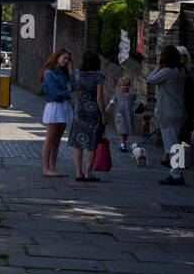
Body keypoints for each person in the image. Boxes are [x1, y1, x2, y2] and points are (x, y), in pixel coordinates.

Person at [148, 45, 187, 185]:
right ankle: (178, 172)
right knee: (177, 145)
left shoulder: (167, 71)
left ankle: (176, 175)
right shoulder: (180, 70)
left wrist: (158, 65)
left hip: (169, 113)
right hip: (179, 111)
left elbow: (150, 79)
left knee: (172, 146)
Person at [69, 51, 106, 182]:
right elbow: (99, 98)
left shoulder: (78, 74)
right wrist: (103, 115)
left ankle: (78, 173)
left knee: (78, 143)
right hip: (93, 113)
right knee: (91, 144)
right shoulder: (99, 76)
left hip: (79, 113)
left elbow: (71, 75)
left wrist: (70, 62)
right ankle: (88, 173)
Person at [40, 48, 74, 178]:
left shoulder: (63, 73)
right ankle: (46, 168)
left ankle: (53, 167)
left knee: (57, 140)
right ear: (57, 57)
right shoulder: (49, 73)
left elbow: (74, 86)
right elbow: (56, 94)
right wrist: (67, 91)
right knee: (50, 139)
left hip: (64, 106)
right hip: (54, 107)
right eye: (64, 58)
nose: (66, 61)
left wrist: (71, 71)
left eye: (68, 59)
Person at [109, 77, 137, 152]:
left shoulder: (132, 95)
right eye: (123, 85)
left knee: (127, 130)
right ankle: (122, 145)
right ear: (120, 86)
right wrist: (106, 109)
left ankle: (123, 142)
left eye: (126, 85)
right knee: (121, 129)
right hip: (120, 115)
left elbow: (135, 103)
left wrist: (138, 107)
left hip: (129, 115)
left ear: (129, 86)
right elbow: (112, 103)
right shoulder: (117, 94)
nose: (124, 87)